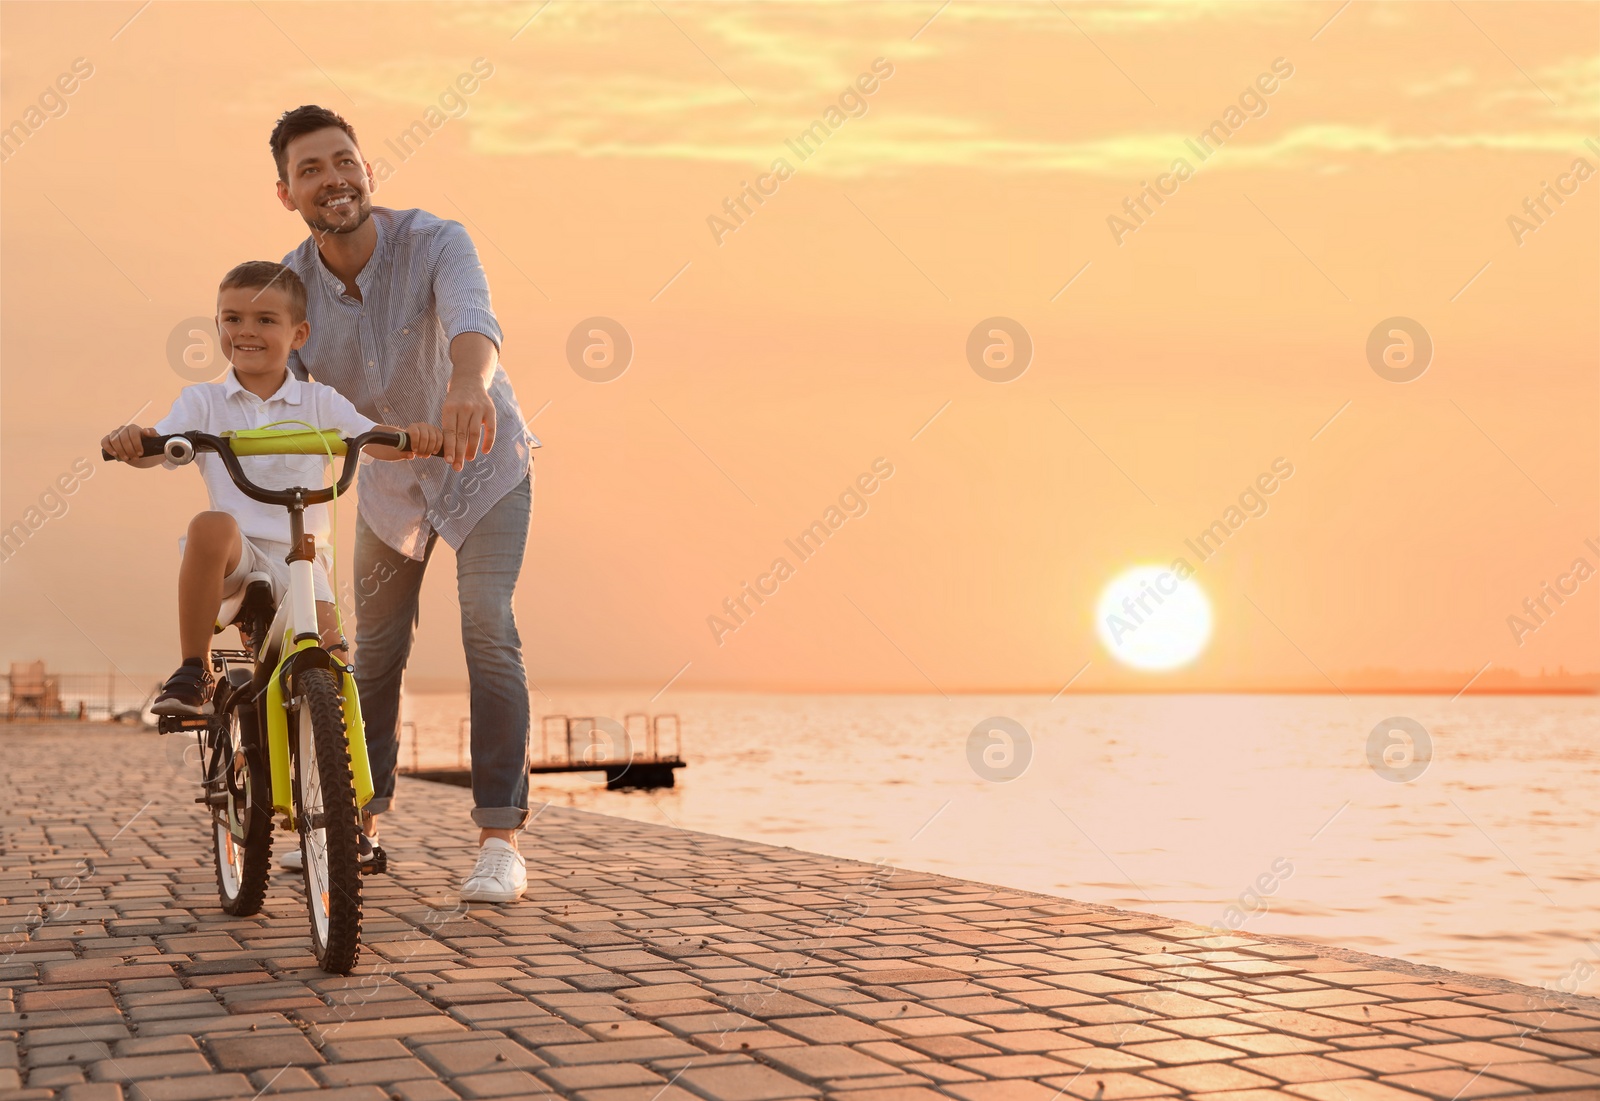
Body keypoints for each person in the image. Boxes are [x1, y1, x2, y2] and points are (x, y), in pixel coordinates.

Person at [269, 105, 536, 903]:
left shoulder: (435, 240)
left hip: (483, 461)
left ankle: (500, 841)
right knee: (374, 654)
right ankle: (359, 828)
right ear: (287, 193)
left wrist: (465, 382)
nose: (332, 179)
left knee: (486, 622)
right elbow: (281, 390)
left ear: (368, 169)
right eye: (310, 170)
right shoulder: (290, 286)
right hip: (388, 481)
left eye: (343, 161)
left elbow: (473, 321)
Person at [100, 261, 443, 876]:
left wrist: (417, 437)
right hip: (234, 561)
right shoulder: (203, 401)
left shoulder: (318, 401)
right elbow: (163, 444)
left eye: (265, 319)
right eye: (233, 318)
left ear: (299, 334)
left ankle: (352, 820)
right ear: (218, 326)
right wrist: (136, 441)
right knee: (211, 524)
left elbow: (373, 438)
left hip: (303, 561)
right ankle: (194, 669)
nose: (247, 331)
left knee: (337, 674)